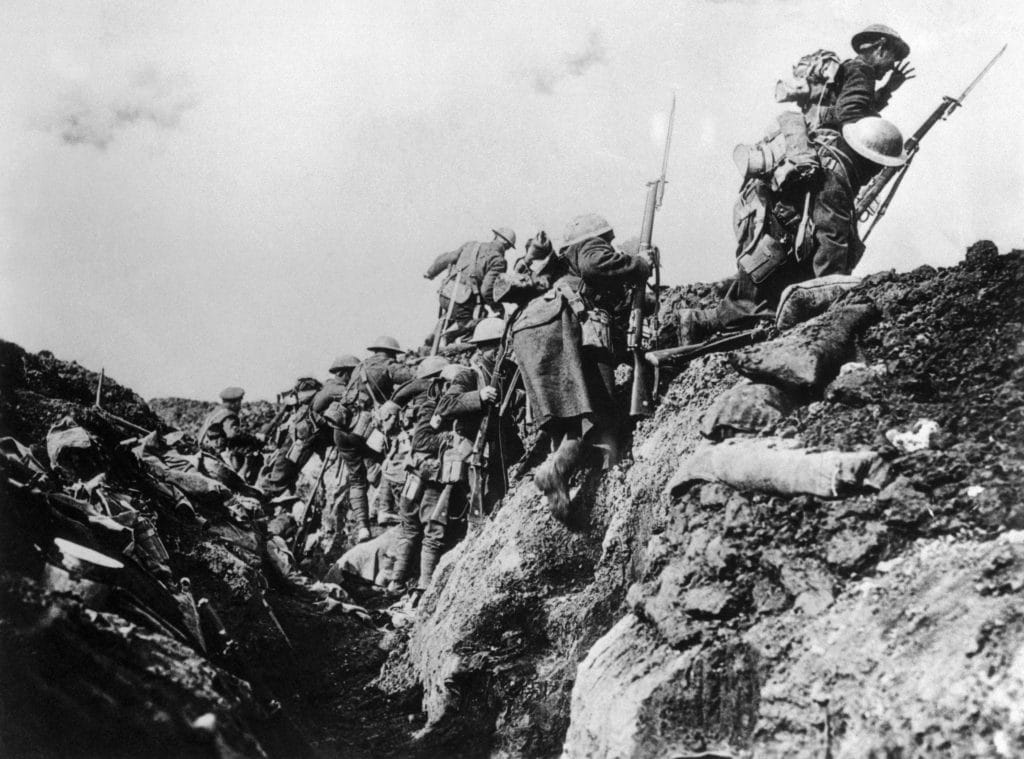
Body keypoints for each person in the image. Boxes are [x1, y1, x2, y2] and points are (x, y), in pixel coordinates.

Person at [679, 116, 907, 341]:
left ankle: (713, 310)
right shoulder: (835, 178)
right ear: (868, 161)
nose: (876, 174)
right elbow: (831, 245)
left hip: (760, 220)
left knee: (761, 296)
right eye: (878, 166)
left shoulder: (830, 145)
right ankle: (699, 322)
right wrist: (833, 297)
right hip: (770, 240)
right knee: (758, 308)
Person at [504, 219, 650, 519]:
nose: (610, 246)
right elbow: (596, 264)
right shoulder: (590, 245)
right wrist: (640, 264)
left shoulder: (561, 267)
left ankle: (559, 470)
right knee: (596, 411)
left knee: (569, 414)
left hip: (534, 331)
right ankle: (560, 470)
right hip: (563, 323)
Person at [387, 355, 463, 601]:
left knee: (410, 529)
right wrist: (450, 439)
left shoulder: (426, 401)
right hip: (431, 475)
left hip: (416, 473)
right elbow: (421, 440)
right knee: (432, 529)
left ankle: (398, 582)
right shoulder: (433, 405)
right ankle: (422, 588)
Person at [435, 317, 524, 526]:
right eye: (492, 347)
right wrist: (479, 397)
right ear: (481, 349)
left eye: (501, 346)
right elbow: (445, 406)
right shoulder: (468, 376)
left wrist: (519, 399)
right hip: (477, 448)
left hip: (505, 445)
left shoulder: (511, 370)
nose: (500, 352)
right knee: (480, 504)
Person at [809, 24, 914, 131]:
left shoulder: (852, 67)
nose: (892, 66)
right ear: (880, 48)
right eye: (892, 58)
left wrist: (888, 88)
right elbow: (850, 114)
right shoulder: (863, 69)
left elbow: (862, 107)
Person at [424, 228, 515, 346]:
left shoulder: (471, 245)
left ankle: (433, 336)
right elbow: (486, 291)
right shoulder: (498, 261)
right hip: (463, 302)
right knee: (478, 319)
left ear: (495, 237)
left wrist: (430, 272)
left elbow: (448, 258)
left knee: (451, 314)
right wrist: (497, 308)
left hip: (445, 294)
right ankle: (447, 336)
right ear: (506, 245)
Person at [198, 386, 262, 479]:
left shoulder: (216, 412)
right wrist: (253, 438)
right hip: (215, 453)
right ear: (234, 403)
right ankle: (243, 477)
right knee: (253, 454)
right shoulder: (229, 415)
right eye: (239, 402)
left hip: (203, 449)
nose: (240, 406)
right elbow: (232, 434)